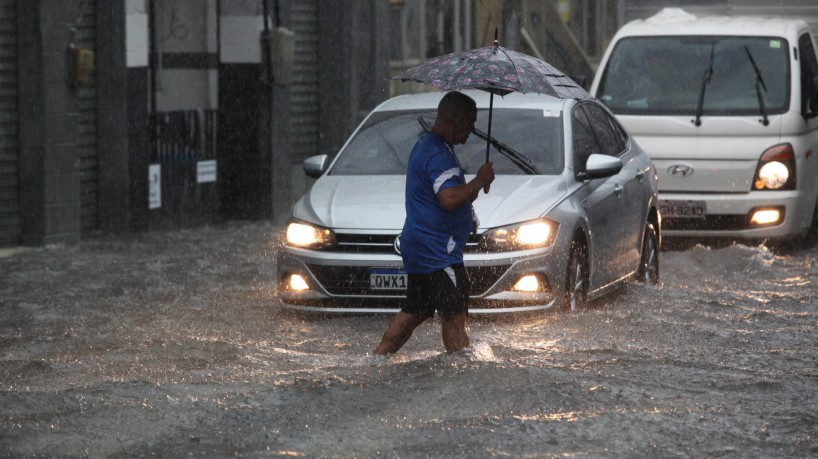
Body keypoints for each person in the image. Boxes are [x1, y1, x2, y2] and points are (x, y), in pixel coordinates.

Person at [373, 91, 495, 355]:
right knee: (454, 314)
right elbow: (448, 199)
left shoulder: (425, 145)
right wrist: (480, 181)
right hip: (438, 253)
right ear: (453, 119)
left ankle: (379, 357)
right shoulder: (439, 154)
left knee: (414, 310)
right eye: (469, 123)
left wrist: (473, 190)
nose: (471, 131)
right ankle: (462, 372)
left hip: (421, 247)